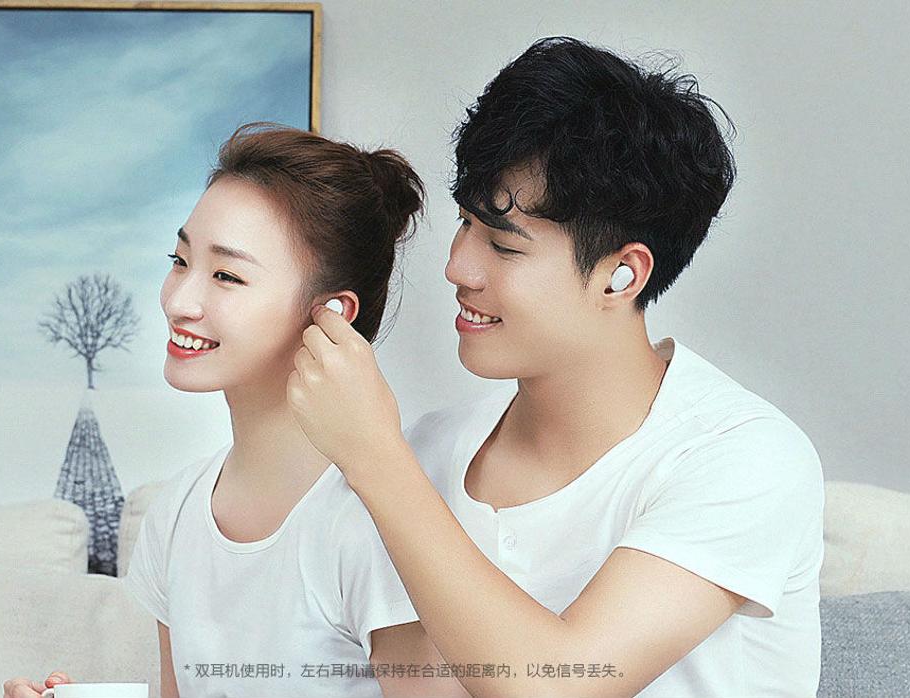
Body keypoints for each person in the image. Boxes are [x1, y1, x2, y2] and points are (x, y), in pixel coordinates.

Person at [286, 37, 825, 697]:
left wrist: (373, 457)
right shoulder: (429, 453)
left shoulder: (743, 457)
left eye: (503, 245)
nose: (457, 267)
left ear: (622, 274)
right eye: (464, 223)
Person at [3, 123, 466, 698]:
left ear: (330, 314)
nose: (179, 300)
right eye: (179, 260)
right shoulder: (175, 515)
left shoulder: (378, 526)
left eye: (226, 275)